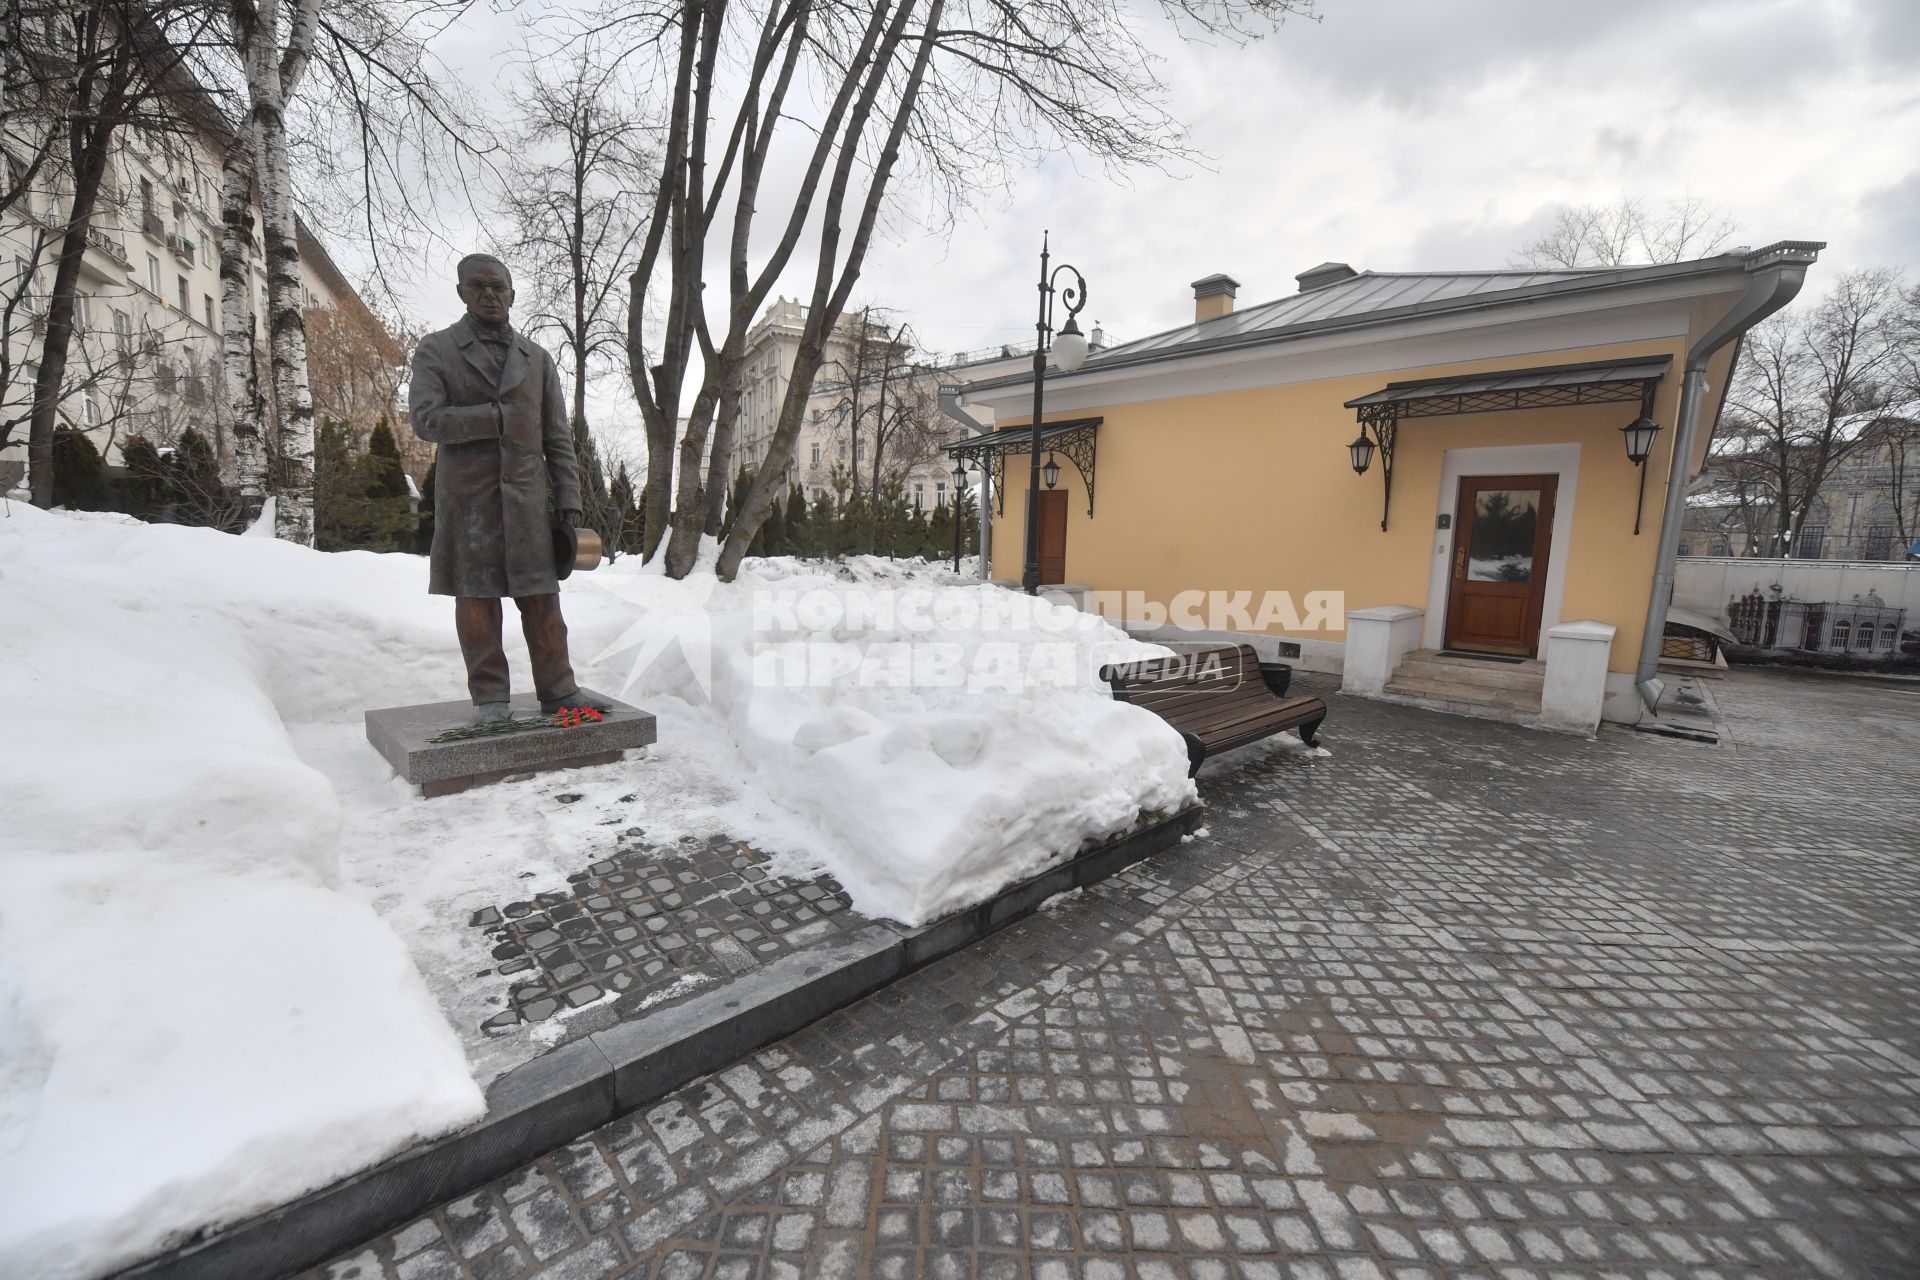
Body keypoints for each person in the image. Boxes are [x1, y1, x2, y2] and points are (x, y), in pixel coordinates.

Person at [410, 253, 588, 722]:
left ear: (512, 293)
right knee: (477, 602)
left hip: (527, 501)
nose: (490, 295)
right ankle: (490, 699)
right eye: (479, 286)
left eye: (499, 287)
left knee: (542, 601)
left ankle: (559, 690)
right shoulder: (437, 349)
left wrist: (569, 500)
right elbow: (426, 421)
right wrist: (494, 418)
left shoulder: (537, 358)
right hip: (469, 501)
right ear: (462, 292)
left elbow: (558, 437)